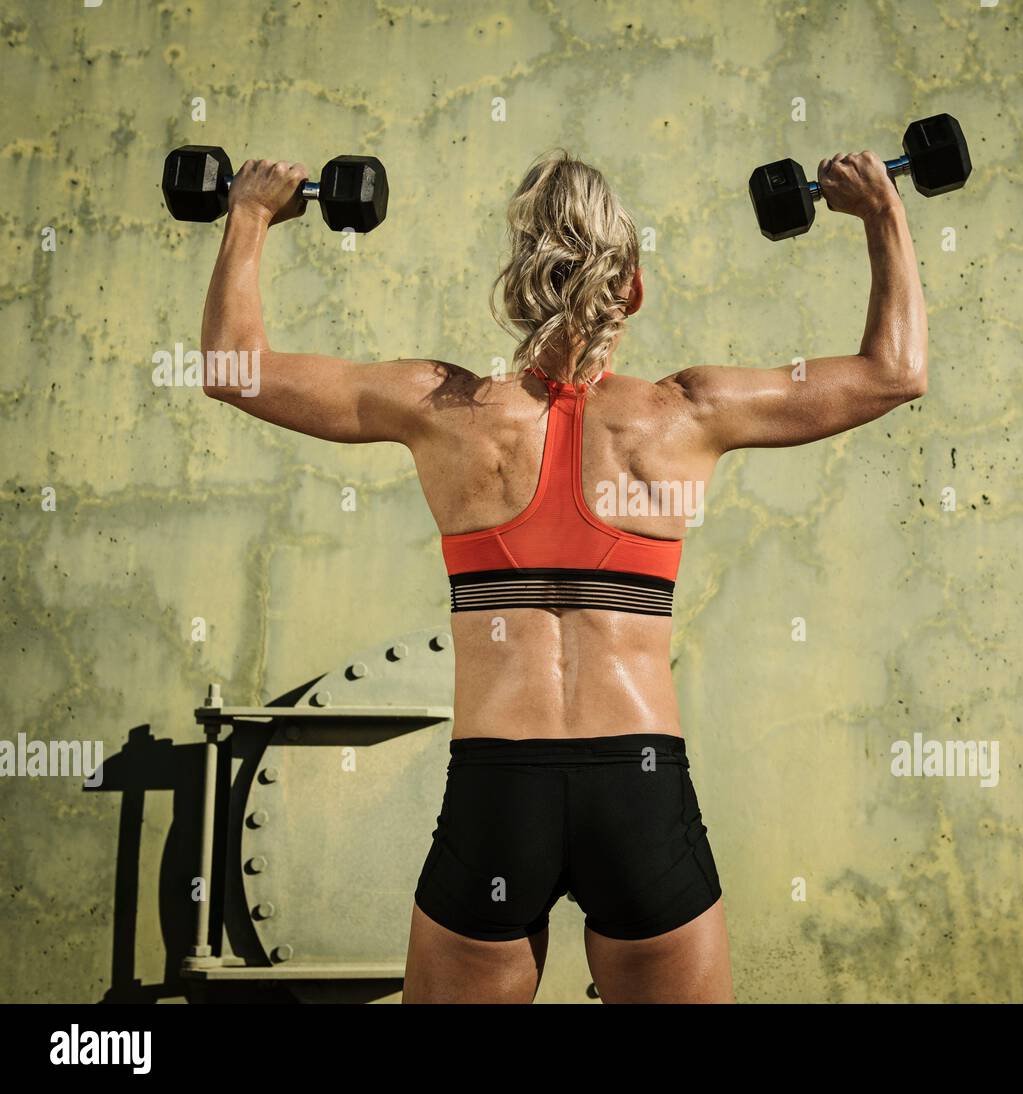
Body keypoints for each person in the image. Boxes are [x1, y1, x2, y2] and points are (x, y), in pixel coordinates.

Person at [199, 148, 927, 1003]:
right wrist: (882, 212)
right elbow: (894, 372)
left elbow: (230, 368)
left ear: (517, 284)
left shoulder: (442, 408)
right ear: (636, 288)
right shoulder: (686, 413)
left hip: (498, 787)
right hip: (640, 786)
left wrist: (249, 214)